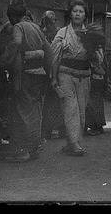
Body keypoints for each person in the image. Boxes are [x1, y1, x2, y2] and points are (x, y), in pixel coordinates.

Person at [0, 0, 52, 162]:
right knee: (34, 111)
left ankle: (23, 150)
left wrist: (4, 59)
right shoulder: (36, 28)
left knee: (22, 112)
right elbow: (48, 50)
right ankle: (34, 147)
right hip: (39, 74)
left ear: (12, 17)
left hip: (24, 75)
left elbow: (16, 44)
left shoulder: (18, 27)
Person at [50, 0, 93, 156]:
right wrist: (54, 78)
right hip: (65, 75)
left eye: (81, 11)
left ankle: (71, 143)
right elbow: (54, 56)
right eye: (75, 11)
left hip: (84, 76)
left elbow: (98, 58)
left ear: (84, 15)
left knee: (81, 110)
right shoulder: (62, 32)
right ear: (70, 14)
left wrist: (93, 48)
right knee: (70, 109)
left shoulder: (90, 34)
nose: (77, 14)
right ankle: (75, 145)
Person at [40, 10, 66, 141]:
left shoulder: (61, 34)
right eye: (47, 22)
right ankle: (48, 130)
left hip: (59, 71)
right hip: (47, 72)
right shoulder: (43, 33)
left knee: (59, 102)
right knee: (50, 103)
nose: (49, 25)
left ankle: (61, 129)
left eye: (51, 22)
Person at [85, 40, 107, 136]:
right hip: (99, 79)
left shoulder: (93, 52)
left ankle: (95, 126)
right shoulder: (100, 50)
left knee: (92, 103)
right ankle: (98, 125)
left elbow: (94, 66)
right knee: (96, 102)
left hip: (94, 79)